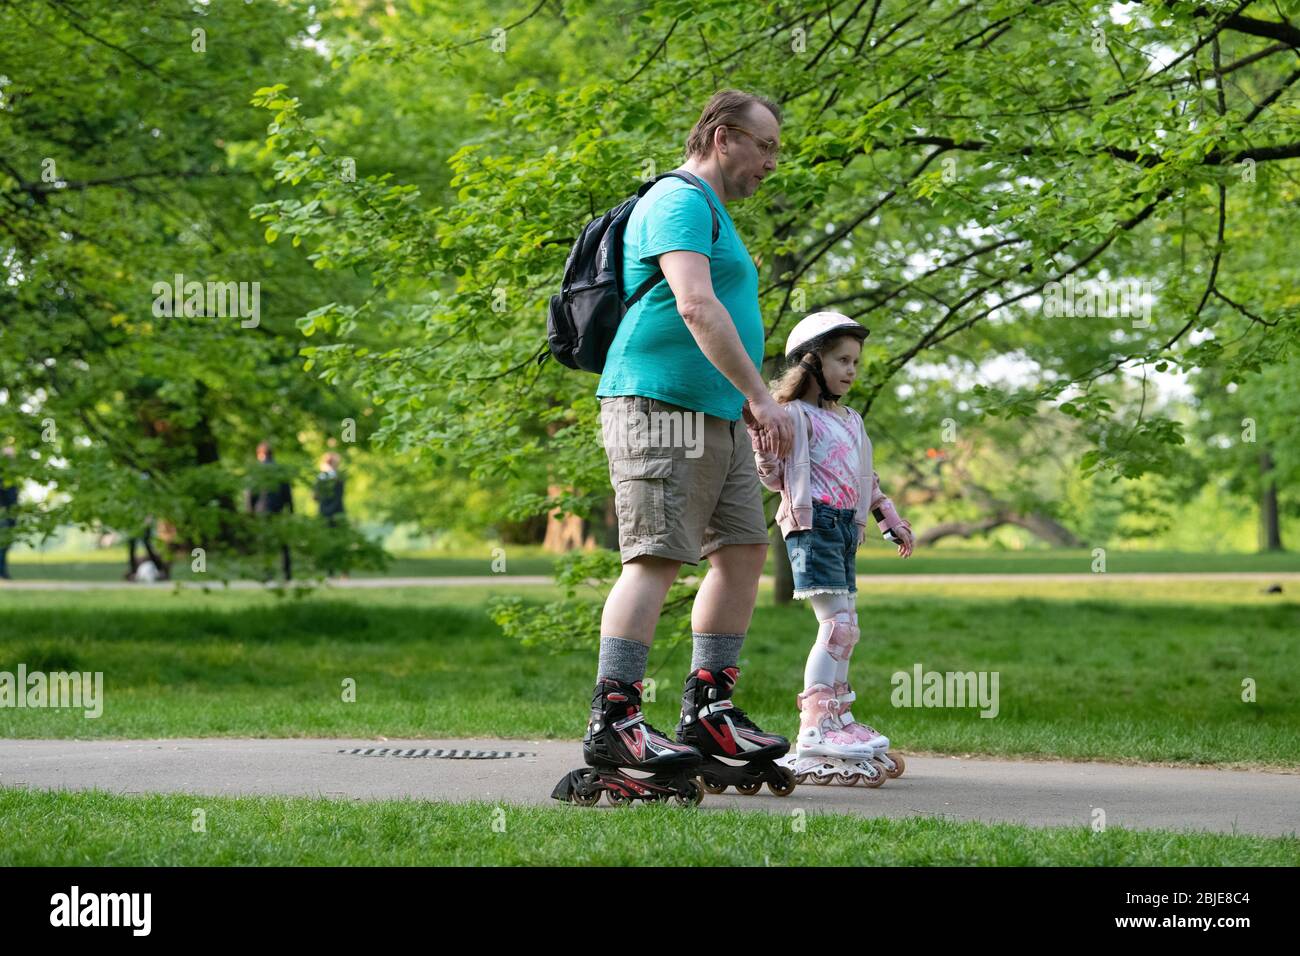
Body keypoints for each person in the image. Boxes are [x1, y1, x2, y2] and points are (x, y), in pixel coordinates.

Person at [556, 90, 796, 804]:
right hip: (659, 405)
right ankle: (616, 720)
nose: (771, 164)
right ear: (724, 138)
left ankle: (710, 711)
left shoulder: (715, 212)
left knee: (744, 550)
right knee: (657, 556)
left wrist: (744, 406)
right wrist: (761, 395)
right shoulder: (680, 200)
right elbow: (694, 303)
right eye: (766, 147)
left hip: (716, 412)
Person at [747, 311, 915, 786]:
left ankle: (839, 719)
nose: (851, 370)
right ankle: (816, 726)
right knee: (836, 625)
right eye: (842, 359)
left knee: (849, 627)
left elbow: (868, 481)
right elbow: (775, 477)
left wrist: (891, 520)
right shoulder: (794, 416)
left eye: (856, 362)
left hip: (845, 528)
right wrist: (762, 441)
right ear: (812, 362)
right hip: (812, 524)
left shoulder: (852, 420)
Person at [248, 441, 293, 581]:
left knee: (265, 544)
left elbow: (251, 493)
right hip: (279, 510)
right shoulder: (280, 470)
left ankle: (267, 573)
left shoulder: (257, 470)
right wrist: (290, 509)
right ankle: (287, 573)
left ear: (260, 454)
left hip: (262, 510)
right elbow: (287, 493)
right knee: (283, 543)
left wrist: (250, 511)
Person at [312, 452, 346, 577]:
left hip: (323, 513)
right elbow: (339, 497)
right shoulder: (339, 478)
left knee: (326, 542)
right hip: (338, 512)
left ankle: (329, 571)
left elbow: (315, 497)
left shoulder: (320, 478)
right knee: (340, 542)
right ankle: (343, 571)